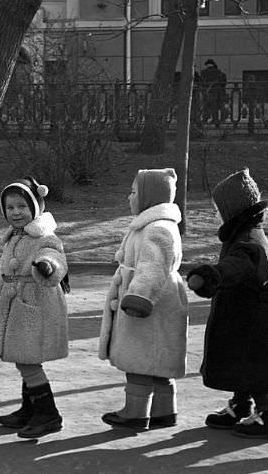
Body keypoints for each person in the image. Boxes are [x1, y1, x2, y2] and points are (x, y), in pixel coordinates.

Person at [187, 169, 268, 439]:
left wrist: (209, 276)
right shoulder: (247, 233)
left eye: (218, 208)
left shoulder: (247, 242)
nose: (215, 213)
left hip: (250, 317)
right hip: (245, 313)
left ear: (231, 209)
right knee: (243, 362)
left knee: (253, 365)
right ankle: (241, 404)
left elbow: (235, 267)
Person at [98, 168, 189, 432]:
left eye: (135, 192)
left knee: (139, 358)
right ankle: (163, 411)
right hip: (161, 301)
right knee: (158, 360)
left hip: (148, 304)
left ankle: (135, 412)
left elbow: (152, 267)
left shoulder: (156, 229)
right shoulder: (154, 226)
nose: (129, 196)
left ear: (148, 197)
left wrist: (138, 297)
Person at [0, 176, 70, 439]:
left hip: (36, 302)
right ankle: (30, 408)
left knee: (28, 362)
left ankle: (48, 414)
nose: (15, 212)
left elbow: (55, 255)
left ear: (35, 207)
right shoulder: (13, 237)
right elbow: (4, 272)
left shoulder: (43, 237)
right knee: (23, 359)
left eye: (22, 207)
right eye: (10, 207)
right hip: (16, 304)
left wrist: (47, 266)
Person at [198, 59, 227, 124]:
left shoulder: (203, 72)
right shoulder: (219, 72)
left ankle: (205, 119)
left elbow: (201, 82)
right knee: (216, 106)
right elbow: (223, 82)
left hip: (207, 91)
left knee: (206, 106)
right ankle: (216, 120)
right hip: (218, 92)